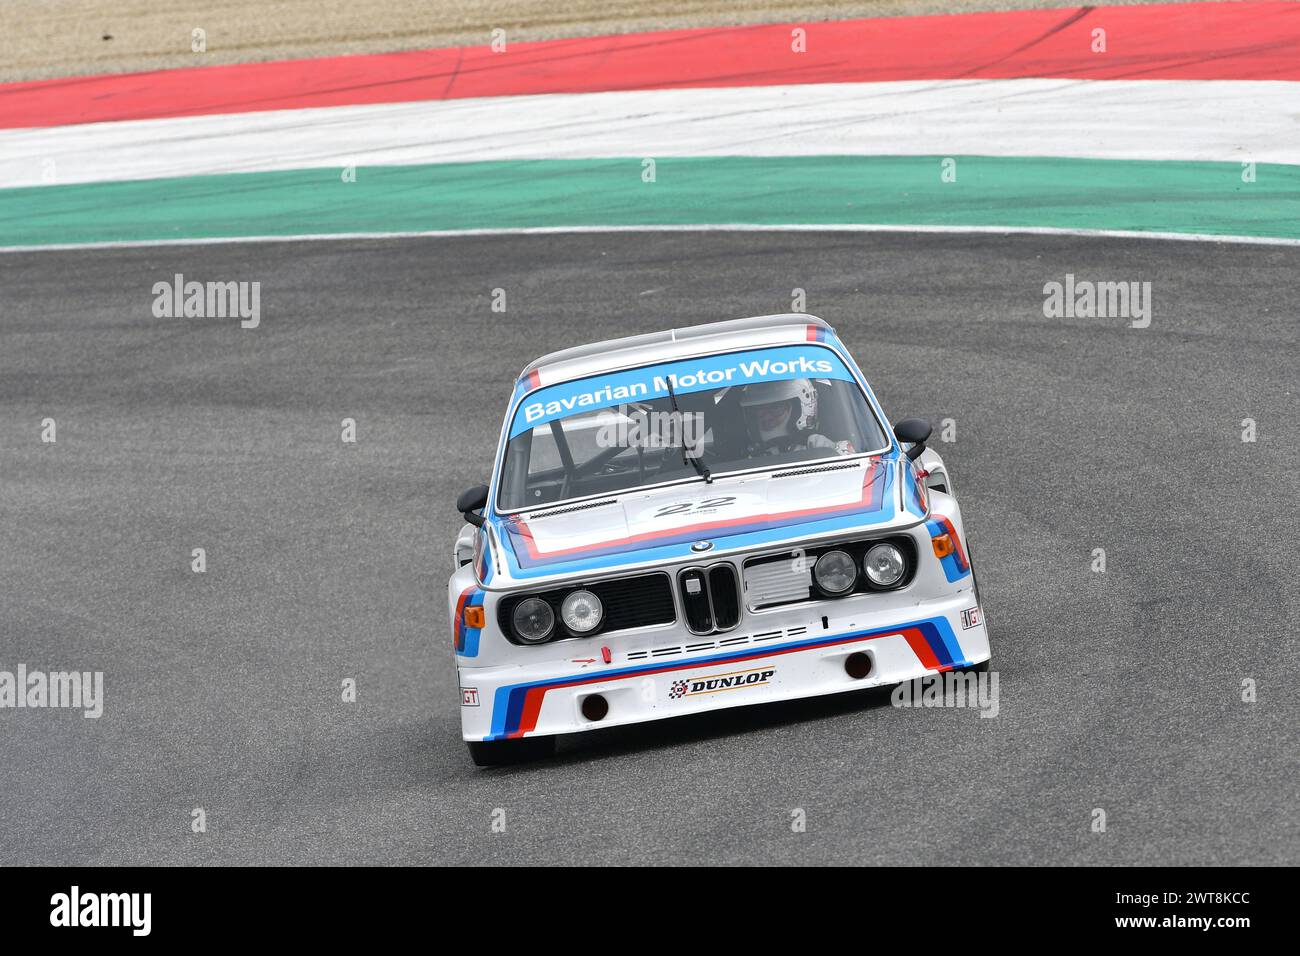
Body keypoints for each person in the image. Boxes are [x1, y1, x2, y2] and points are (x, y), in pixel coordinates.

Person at [738, 379, 854, 456]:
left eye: (776, 407)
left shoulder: (821, 446)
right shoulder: (745, 457)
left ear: (802, 407)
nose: (766, 416)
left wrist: (828, 451)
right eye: (759, 409)